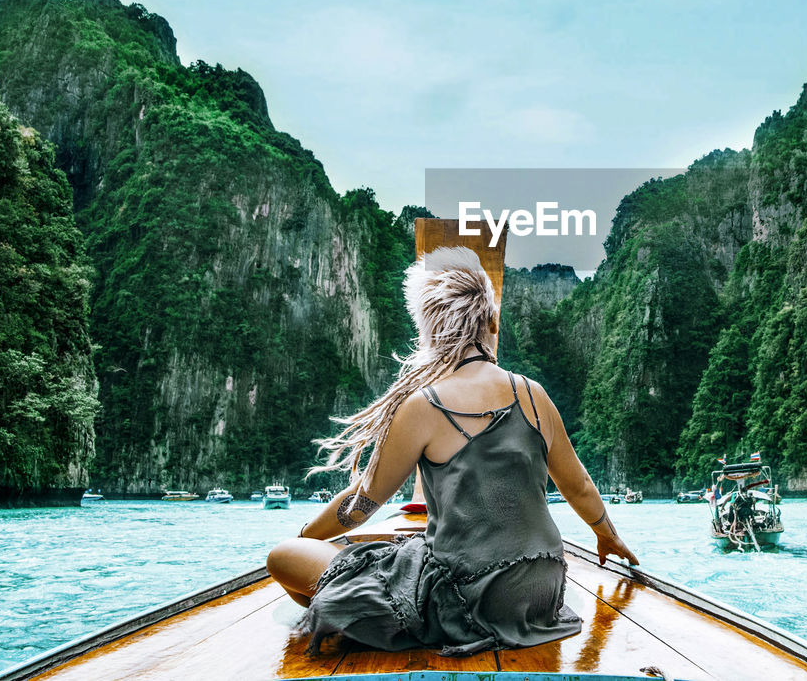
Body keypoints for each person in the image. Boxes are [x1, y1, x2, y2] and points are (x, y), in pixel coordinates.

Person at [266, 245, 638, 657]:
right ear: (493, 322)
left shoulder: (423, 406)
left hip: (467, 596)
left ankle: (357, 619)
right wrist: (609, 537)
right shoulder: (534, 396)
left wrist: (304, 538)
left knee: (284, 557)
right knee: (393, 559)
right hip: (542, 590)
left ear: (428, 333)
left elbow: (361, 504)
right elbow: (580, 485)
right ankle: (356, 613)